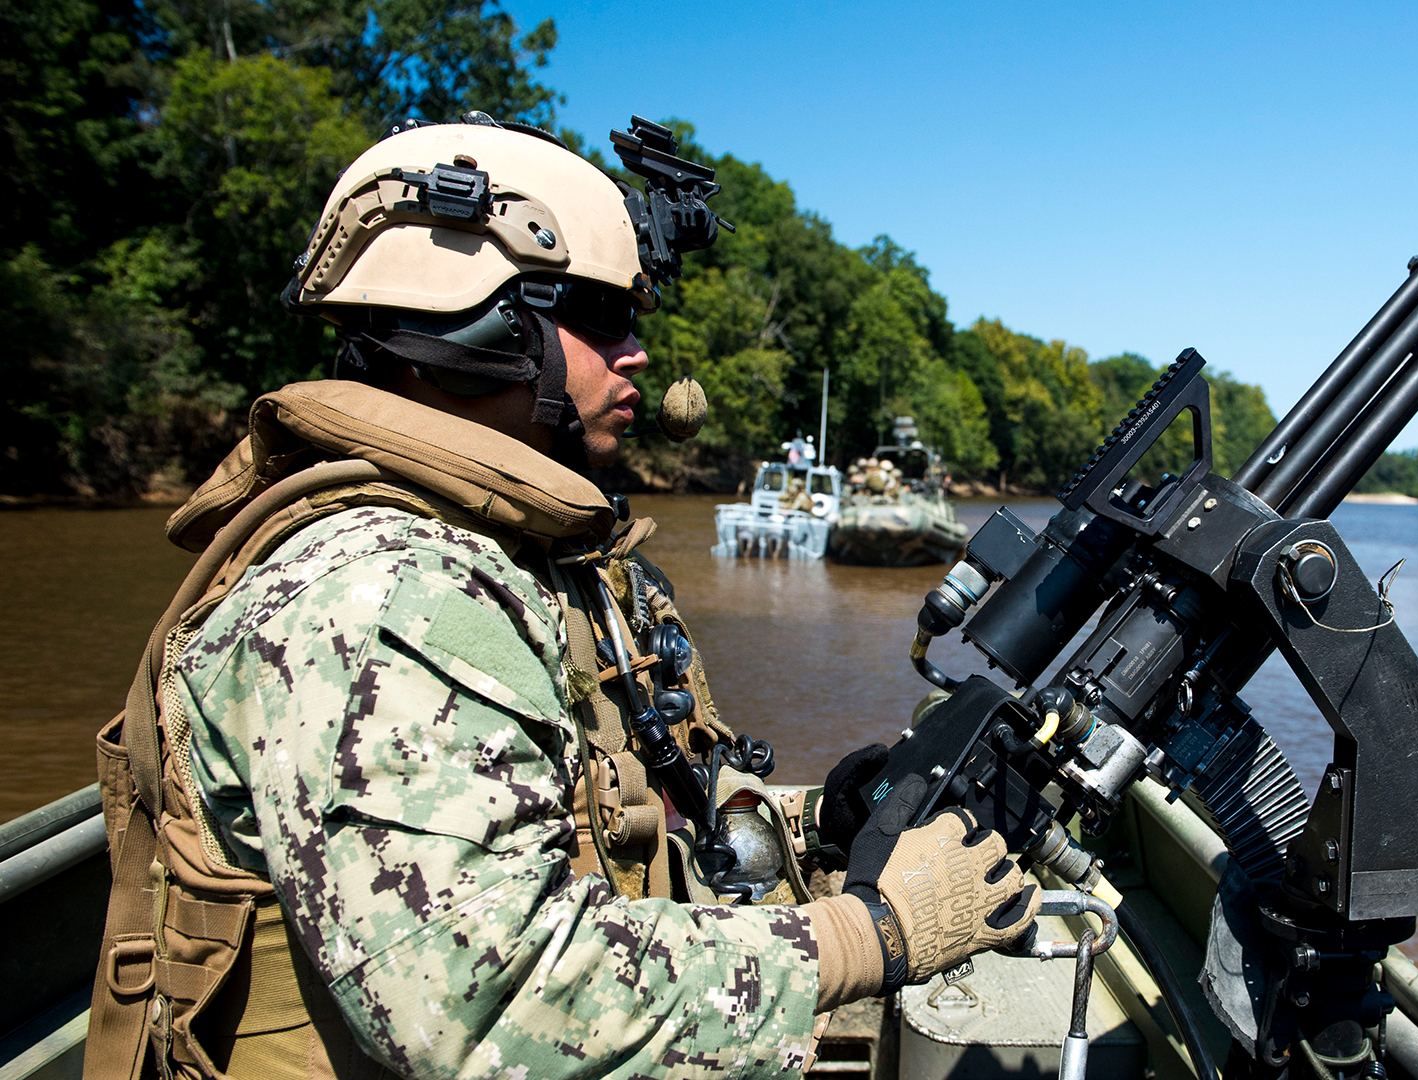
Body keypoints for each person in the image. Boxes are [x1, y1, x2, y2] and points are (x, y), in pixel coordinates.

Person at [85, 116, 1036, 1080]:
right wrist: (873, 935)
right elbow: (485, 1006)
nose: (638, 355)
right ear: (476, 325)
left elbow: (610, 824)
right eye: (603, 316)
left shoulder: (532, 560)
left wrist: (817, 822)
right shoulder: (385, 592)